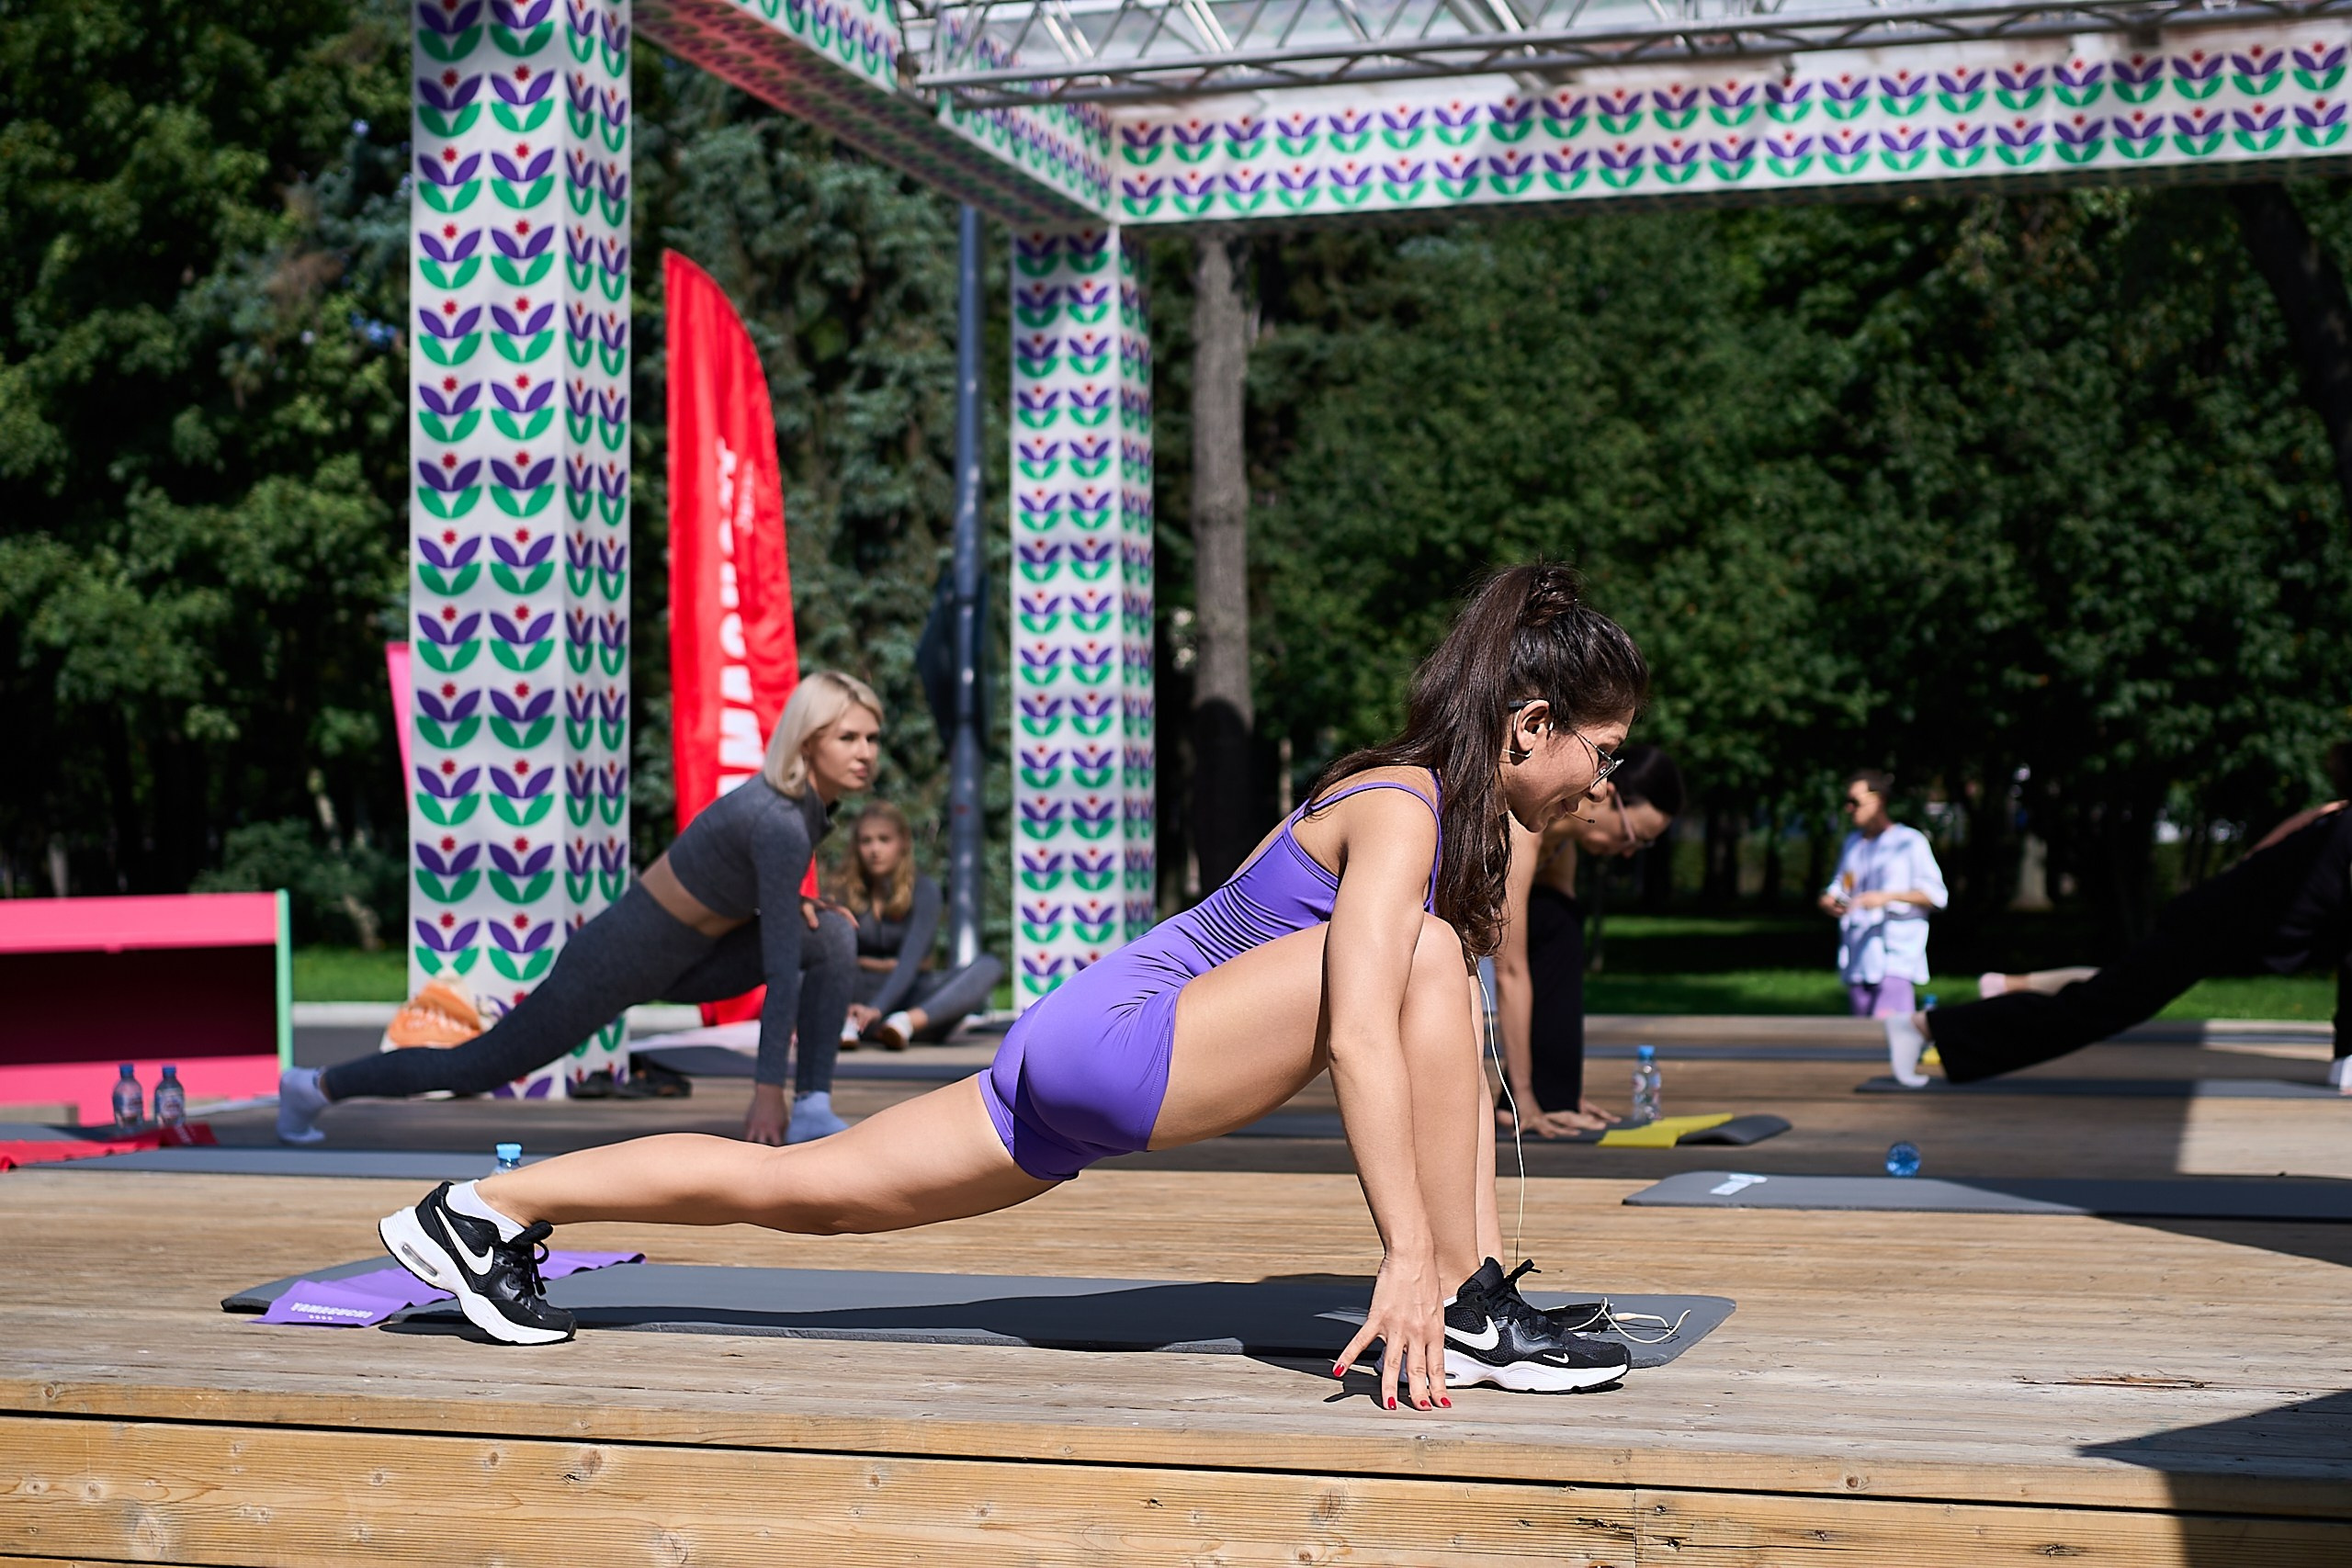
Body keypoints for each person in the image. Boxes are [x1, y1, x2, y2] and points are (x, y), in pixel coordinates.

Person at [368, 564, 1652, 1406]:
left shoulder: (1453, 832)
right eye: (1602, 752)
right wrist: (1411, 1257)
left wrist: (1470, 1265)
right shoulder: (1405, 804)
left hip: (1078, 1047)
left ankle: (480, 1208)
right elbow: (1366, 1031)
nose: (1603, 781)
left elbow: (1451, 1070)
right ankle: (1472, 1303)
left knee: (801, 1191)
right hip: (1129, 1035)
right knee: (1421, 961)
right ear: (1531, 722)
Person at [277, 672, 878, 1147]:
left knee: (829, 934)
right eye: (848, 738)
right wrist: (765, 1088)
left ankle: (814, 1107)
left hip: (692, 957)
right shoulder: (778, 817)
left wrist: (790, 902)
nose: (865, 753)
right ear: (806, 741)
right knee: (476, 1066)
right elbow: (778, 971)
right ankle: (315, 1085)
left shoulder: (802, 808)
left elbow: (729, 882)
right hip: (616, 958)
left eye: (871, 738)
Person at [1890, 748, 2352, 1090]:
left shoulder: (2335, 816)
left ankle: (1951, 1018)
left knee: (2100, 997)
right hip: (2217, 924)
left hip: (2230, 920)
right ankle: (1928, 1027)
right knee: (2096, 1006)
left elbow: (2264, 852)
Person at [1492, 744, 1684, 1135]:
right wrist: (1524, 1099)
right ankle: (1520, 1097)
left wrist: (1560, 1088)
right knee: (1550, 928)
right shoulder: (1523, 832)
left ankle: (1556, 1094)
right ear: (1609, 795)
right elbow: (1509, 971)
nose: (1629, 853)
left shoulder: (1562, 843)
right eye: (1634, 837)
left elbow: (1558, 952)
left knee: (1561, 919)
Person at [837, 802, 1005, 1050]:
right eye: (866, 841)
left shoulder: (925, 891)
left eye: (884, 840)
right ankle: (851, 1023)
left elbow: (909, 963)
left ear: (903, 842)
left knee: (989, 966)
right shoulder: (844, 892)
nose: (875, 850)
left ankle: (903, 1024)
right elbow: (838, 958)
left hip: (912, 997)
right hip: (855, 997)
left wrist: (877, 1006)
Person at [1819, 771, 1948, 1019]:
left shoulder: (1909, 841)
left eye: (1855, 802)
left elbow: (1936, 895)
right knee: (1863, 1044)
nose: (1849, 808)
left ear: (1878, 800)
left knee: (1888, 1037)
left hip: (1895, 957)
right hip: (1858, 958)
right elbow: (1839, 886)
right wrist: (1828, 899)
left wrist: (1887, 897)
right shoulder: (1853, 843)